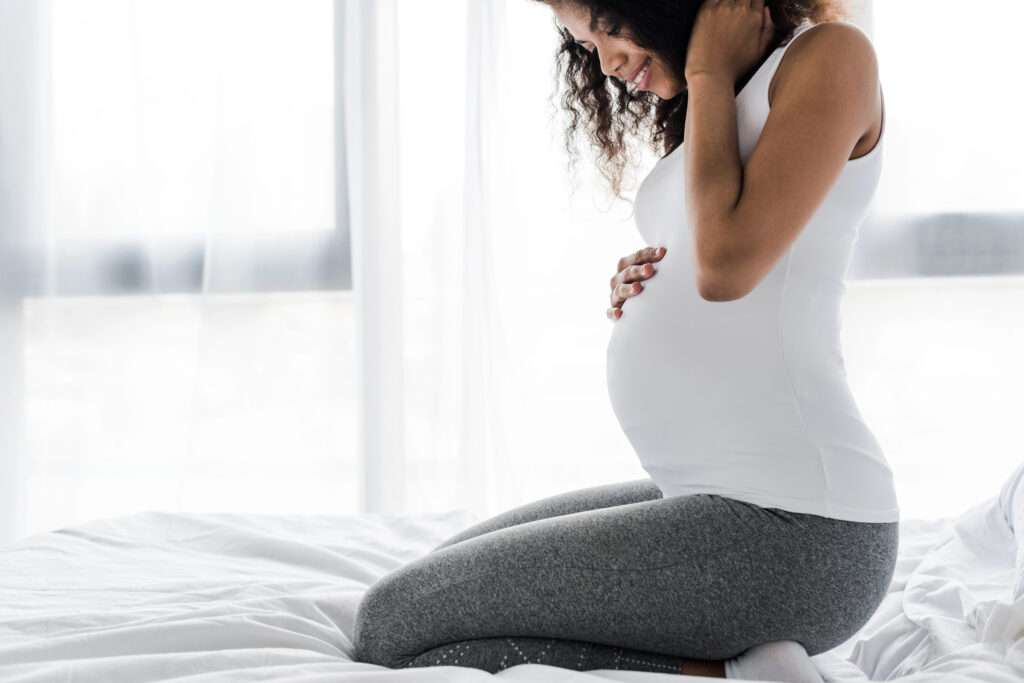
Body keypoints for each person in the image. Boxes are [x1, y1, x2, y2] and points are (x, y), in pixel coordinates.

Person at [351, 1, 899, 680]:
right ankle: (746, 661)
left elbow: (728, 266)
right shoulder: (729, 93)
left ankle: (738, 672)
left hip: (802, 528)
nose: (606, 63)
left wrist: (706, 69)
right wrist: (651, 274)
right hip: (710, 496)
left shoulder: (832, 57)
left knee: (394, 622)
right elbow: (718, 245)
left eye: (608, 27)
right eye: (586, 44)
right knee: (424, 586)